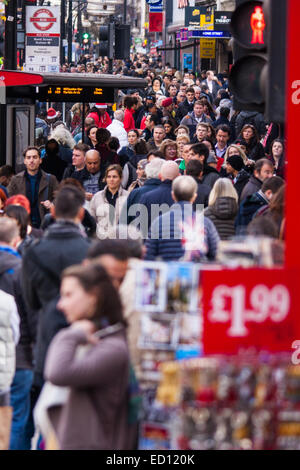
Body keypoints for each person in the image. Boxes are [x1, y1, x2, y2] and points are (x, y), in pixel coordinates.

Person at [21, 186, 91, 441]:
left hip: (47, 330)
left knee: (45, 412)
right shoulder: (89, 251)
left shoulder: (34, 251)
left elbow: (30, 300)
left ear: (53, 213)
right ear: (81, 214)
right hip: (83, 337)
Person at [41, 263, 134, 450]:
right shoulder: (101, 340)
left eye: (69, 295)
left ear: (94, 297)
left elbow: (58, 373)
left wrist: (71, 334)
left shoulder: (112, 348)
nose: (61, 304)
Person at [145, 175, 220, 261]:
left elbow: (149, 257)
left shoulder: (158, 223)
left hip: (168, 273)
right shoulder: (205, 223)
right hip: (195, 273)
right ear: (194, 197)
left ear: (173, 195)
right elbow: (216, 255)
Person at [8, 146, 59, 228]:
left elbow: (59, 198)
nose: (31, 160)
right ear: (24, 161)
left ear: (40, 160)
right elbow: (8, 200)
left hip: (44, 224)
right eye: (28, 158)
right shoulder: (16, 180)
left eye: (35, 157)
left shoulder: (51, 179)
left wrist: (52, 204)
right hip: (23, 224)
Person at [89, 164, 129, 240]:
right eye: (109, 177)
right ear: (105, 178)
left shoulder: (128, 196)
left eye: (114, 177)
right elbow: (92, 221)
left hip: (121, 241)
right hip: (101, 241)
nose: (111, 179)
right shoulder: (97, 197)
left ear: (120, 178)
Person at [123, 158, 165, 225]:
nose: (136, 171)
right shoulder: (133, 186)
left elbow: (124, 220)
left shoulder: (136, 192)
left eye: (140, 168)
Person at [139, 161, 180, 230]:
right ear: (179, 176)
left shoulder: (147, 197)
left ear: (160, 176)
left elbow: (140, 227)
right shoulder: (184, 196)